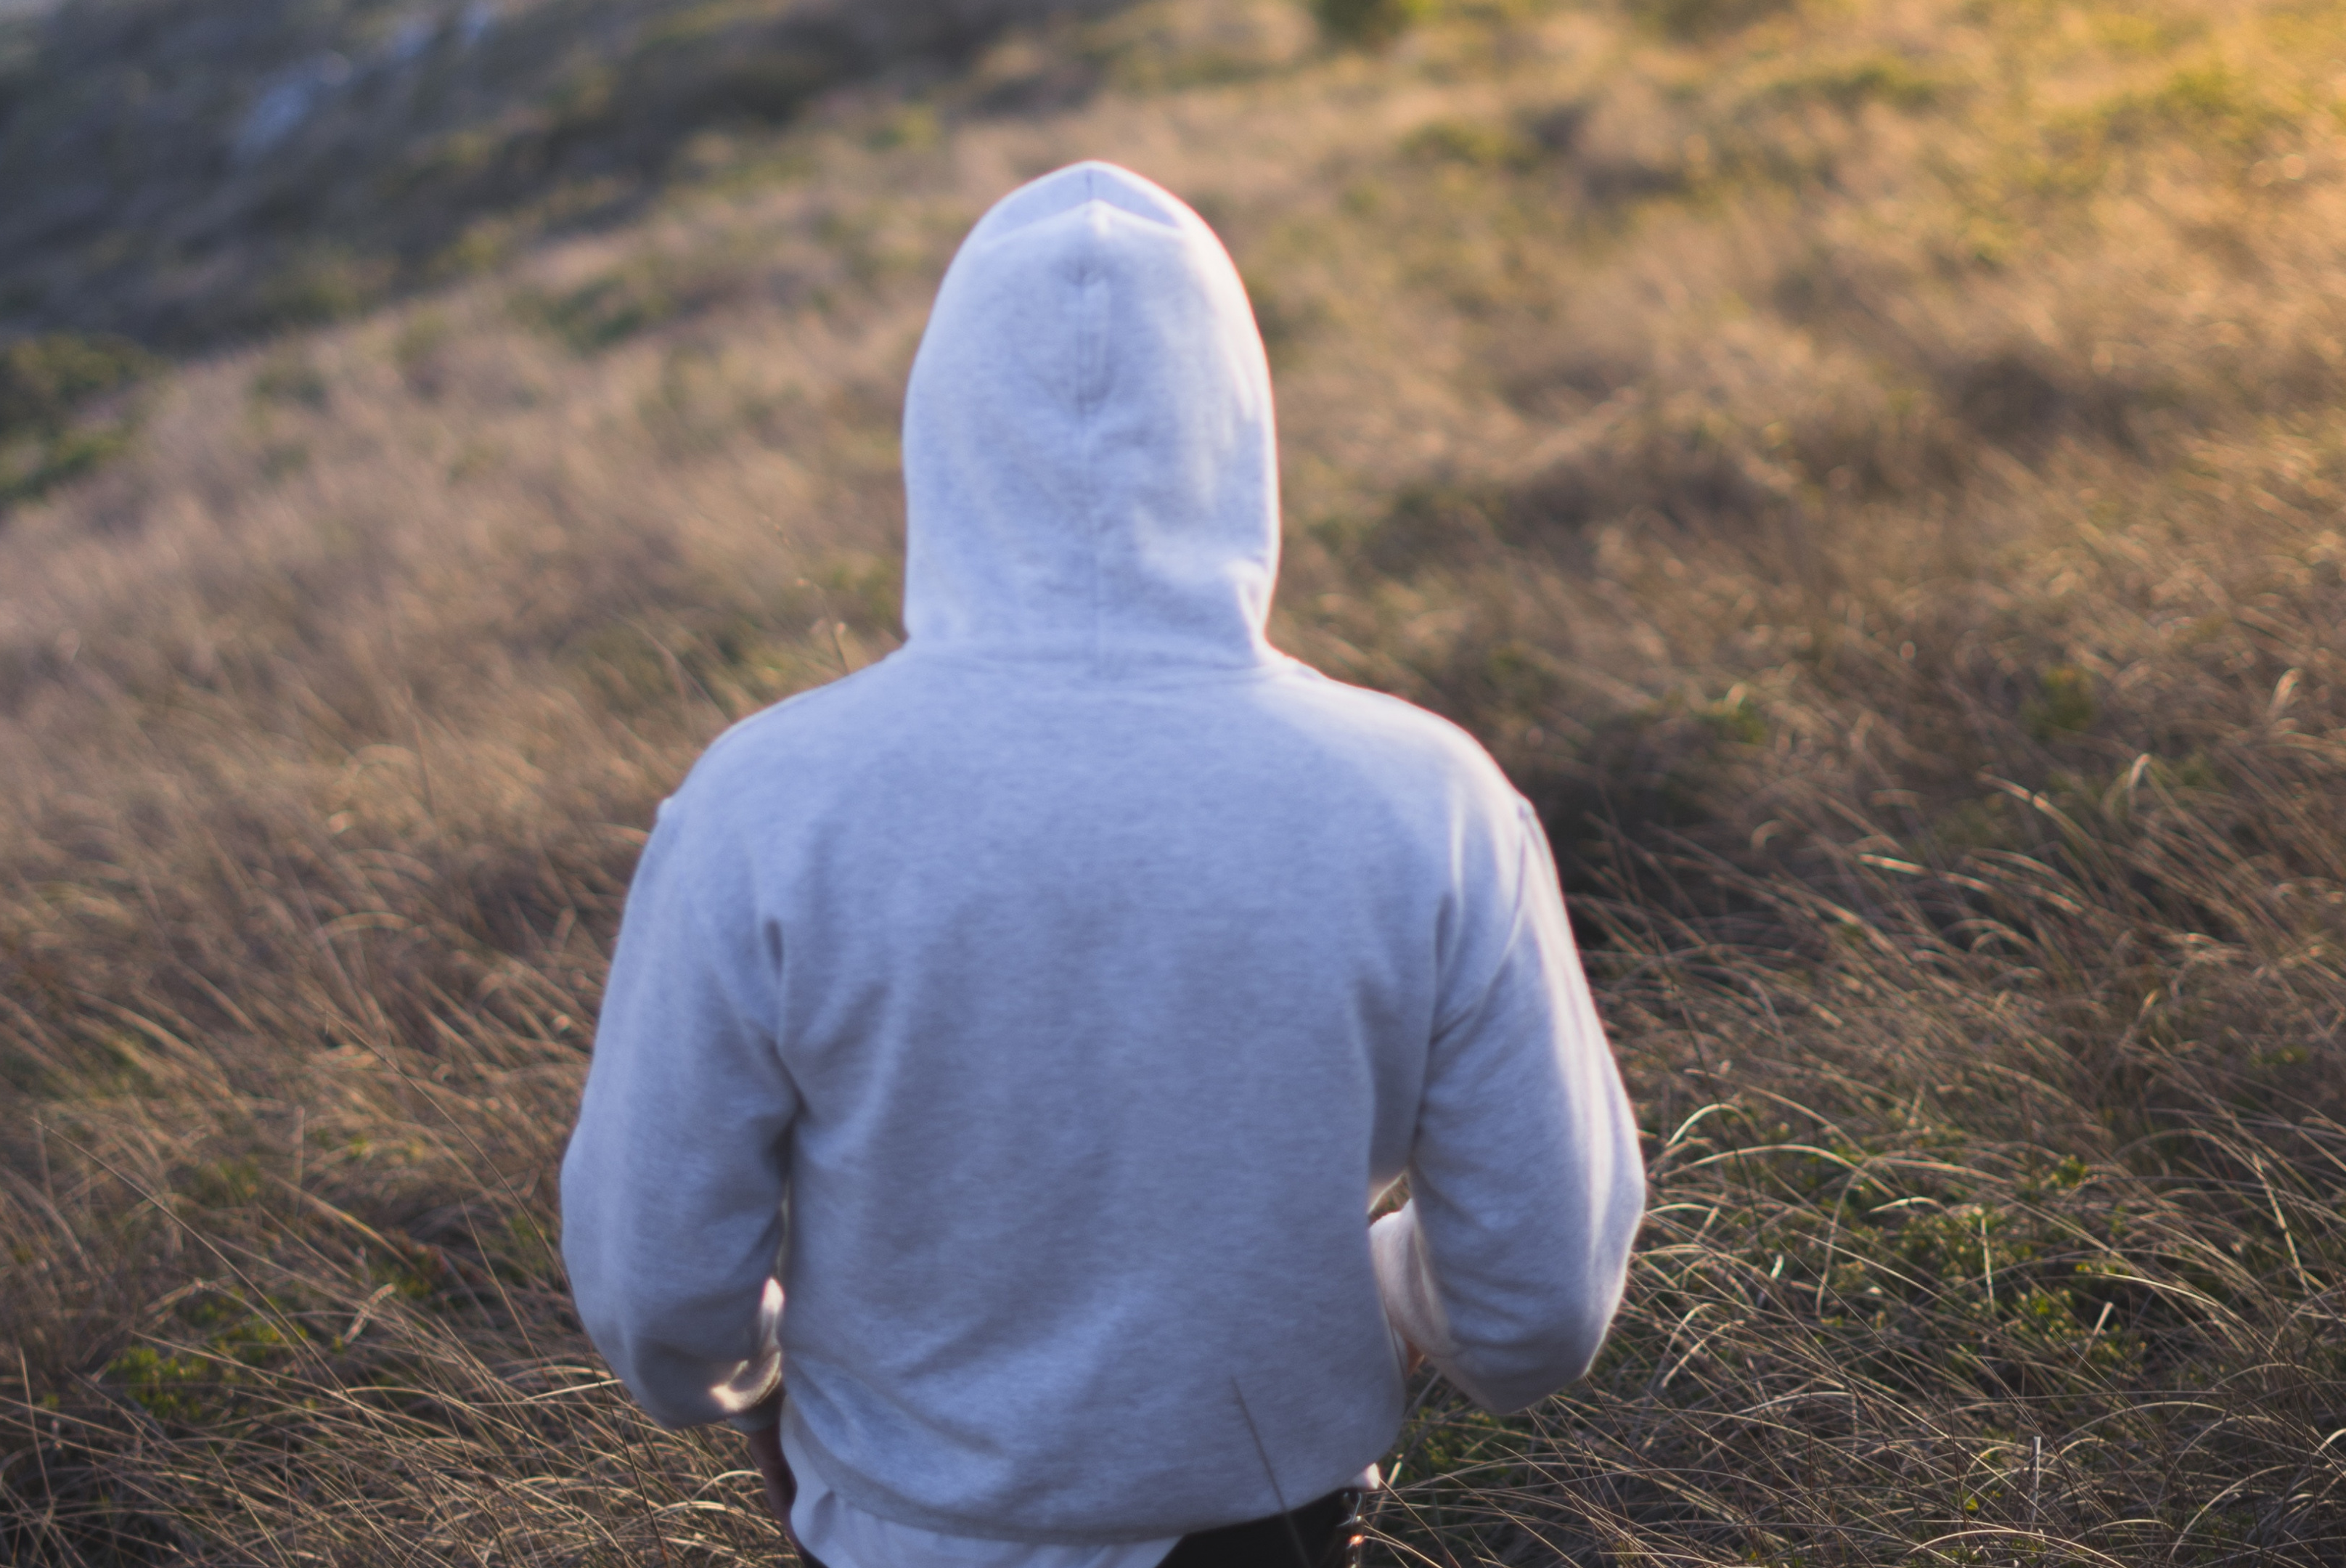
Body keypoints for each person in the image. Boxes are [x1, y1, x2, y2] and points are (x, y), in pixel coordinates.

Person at [558, 160, 1644, 1568]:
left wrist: (769, 1393)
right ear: (1237, 431)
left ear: (940, 437)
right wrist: (1370, 1294)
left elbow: (657, 1301)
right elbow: (1538, 1308)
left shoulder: (763, 809)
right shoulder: (1427, 802)